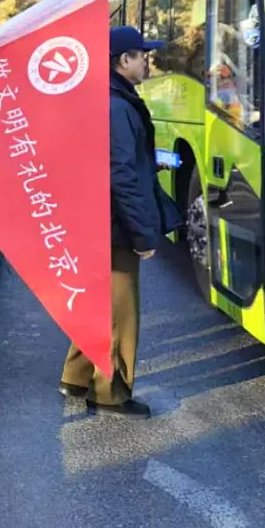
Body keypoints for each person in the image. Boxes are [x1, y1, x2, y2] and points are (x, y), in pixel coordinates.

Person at [59, 25, 182, 419]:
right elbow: (121, 176)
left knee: (100, 303)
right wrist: (143, 236)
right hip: (113, 228)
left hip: (99, 221)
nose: (147, 60)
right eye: (141, 54)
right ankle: (109, 394)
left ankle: (76, 376)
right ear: (122, 60)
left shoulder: (110, 99)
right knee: (120, 312)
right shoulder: (116, 106)